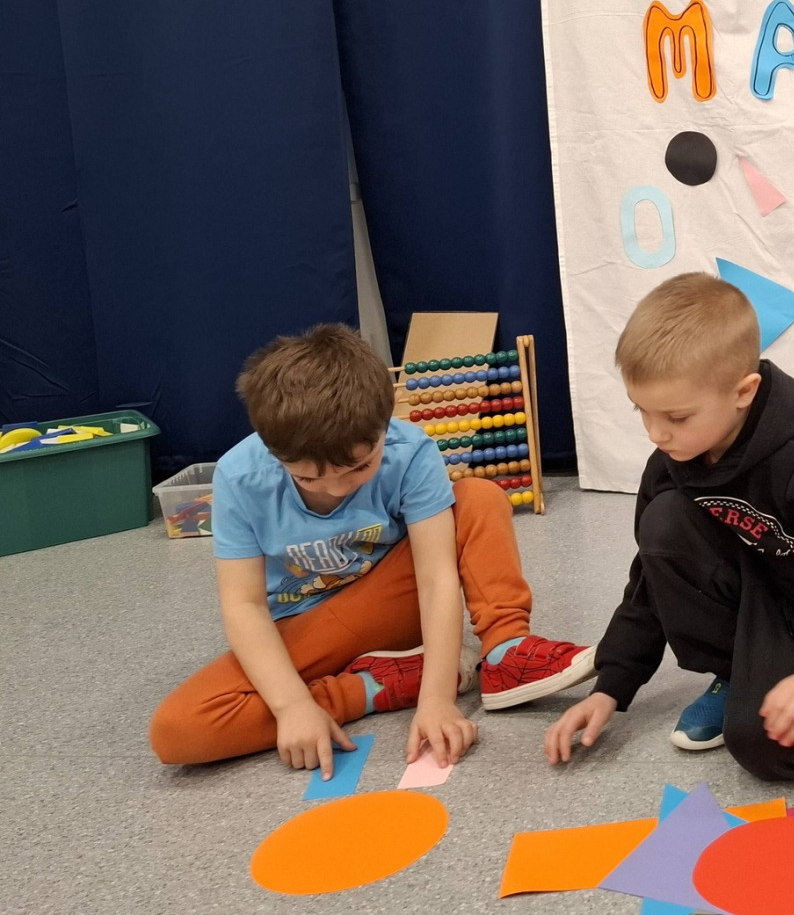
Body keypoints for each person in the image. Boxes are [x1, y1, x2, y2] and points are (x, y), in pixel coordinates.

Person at [149, 325, 594, 775]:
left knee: (477, 498)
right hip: (309, 628)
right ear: (271, 449)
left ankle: (504, 650)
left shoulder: (410, 451)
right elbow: (244, 605)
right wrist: (293, 707)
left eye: (360, 467)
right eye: (307, 478)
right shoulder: (240, 476)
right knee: (179, 729)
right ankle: (377, 685)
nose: (337, 488)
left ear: (385, 424)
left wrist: (437, 699)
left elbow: (436, 579)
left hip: (396, 602)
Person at [544, 273, 794, 781]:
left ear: (744, 391)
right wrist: (611, 685)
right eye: (642, 412)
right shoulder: (673, 459)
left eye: (676, 417)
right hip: (762, 594)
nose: (656, 433)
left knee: (768, 748)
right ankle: (737, 673)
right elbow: (650, 577)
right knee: (664, 524)